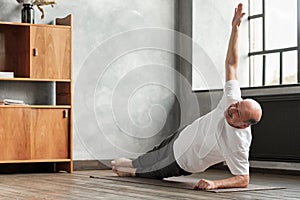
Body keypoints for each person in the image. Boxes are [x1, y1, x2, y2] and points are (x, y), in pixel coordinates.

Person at [111, 3, 262, 190]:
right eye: (236, 105)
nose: (232, 108)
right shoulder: (232, 100)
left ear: (243, 125)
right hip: (183, 135)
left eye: (237, 113)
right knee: (150, 156)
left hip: (183, 161)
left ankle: (131, 171)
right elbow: (231, 64)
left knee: (147, 172)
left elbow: (243, 179)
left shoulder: (238, 143)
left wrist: (215, 184)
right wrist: (235, 28)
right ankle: (133, 163)